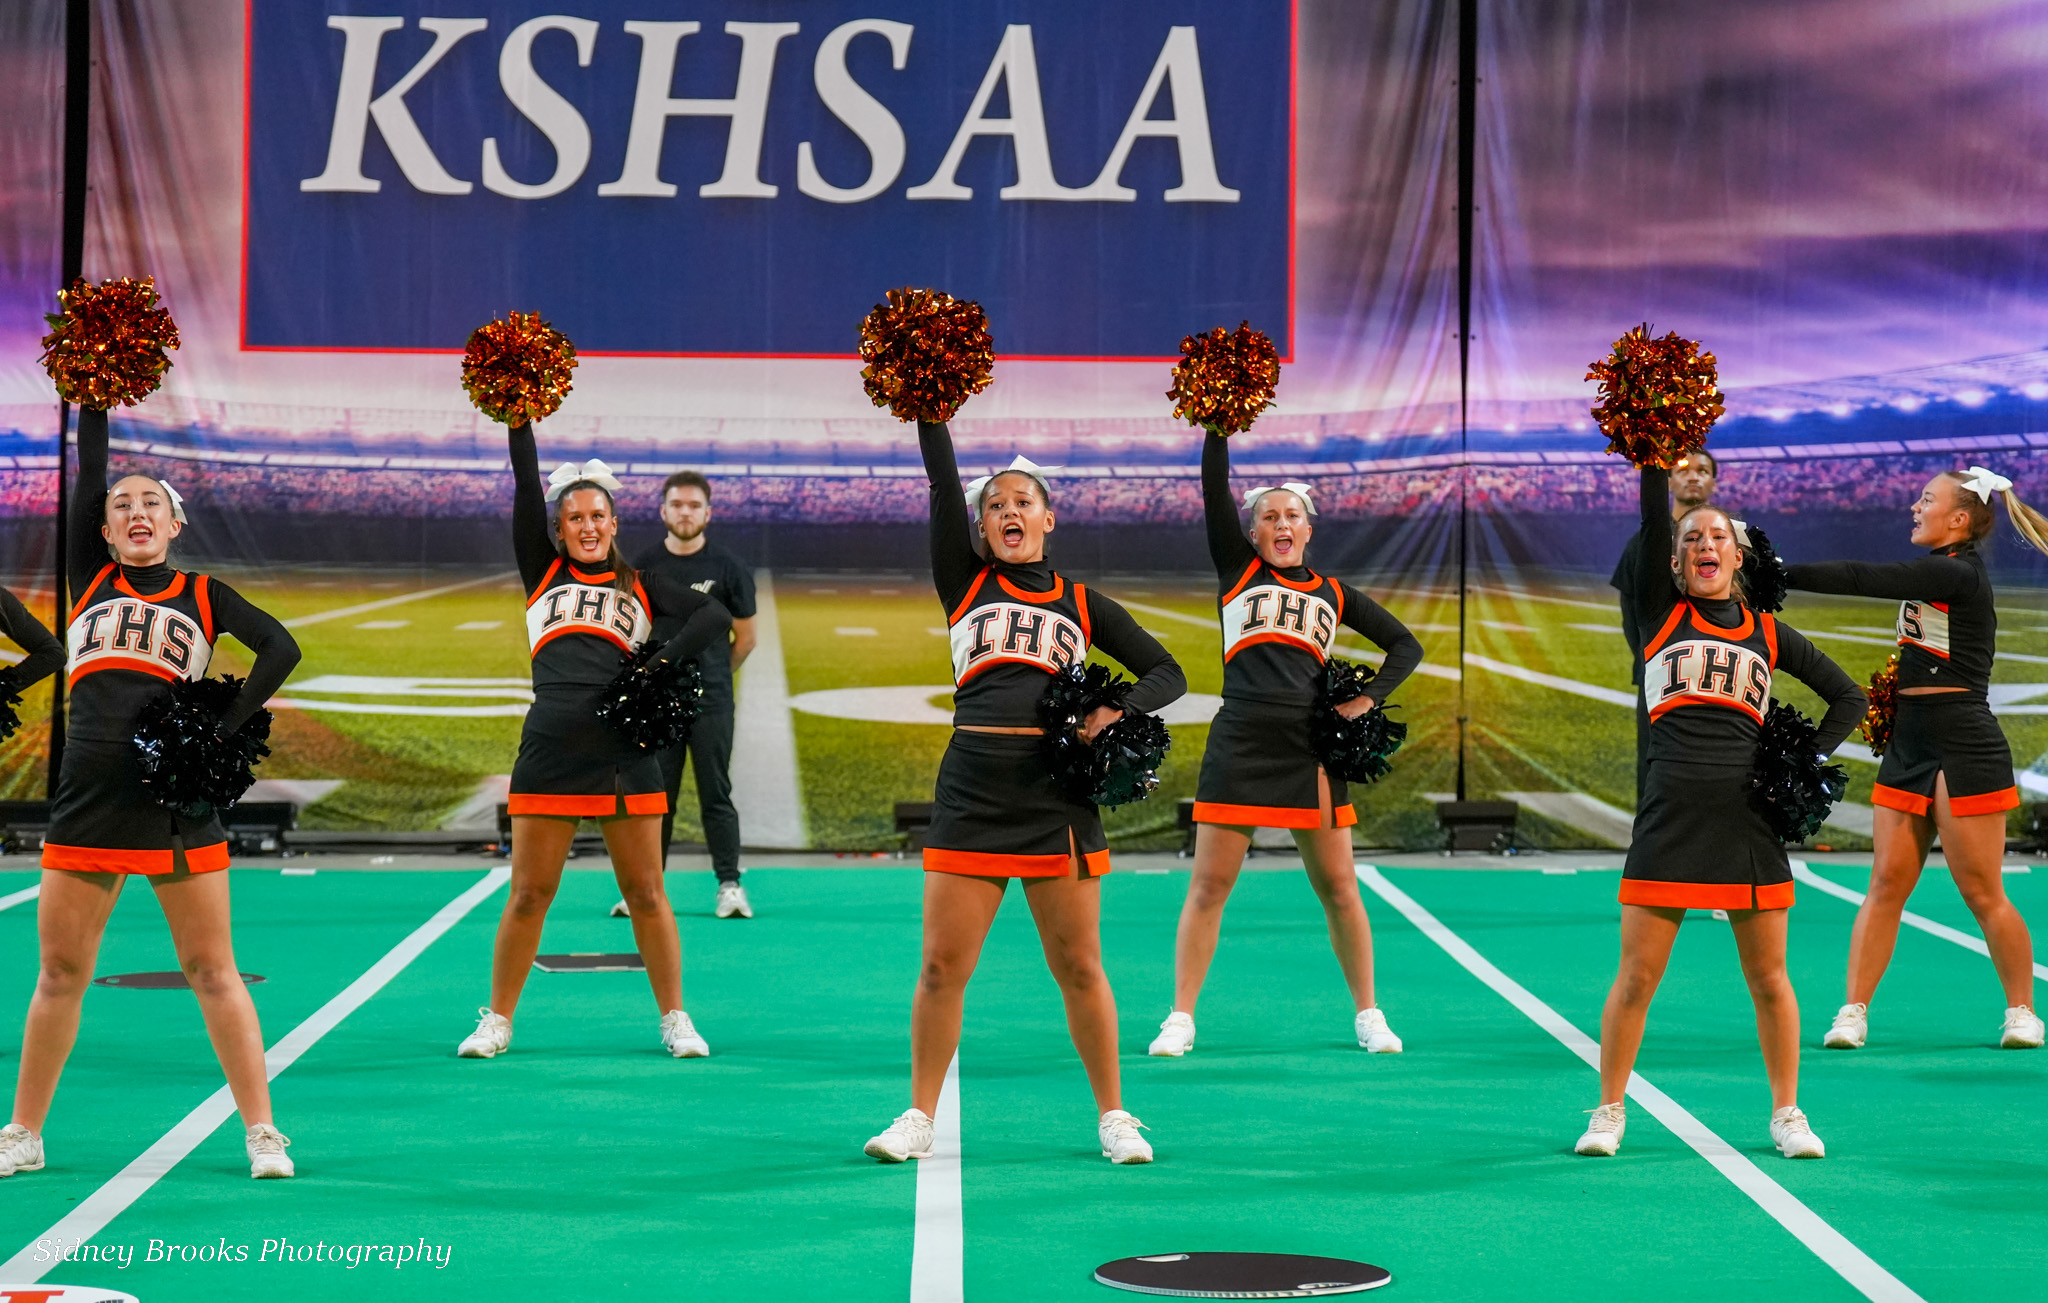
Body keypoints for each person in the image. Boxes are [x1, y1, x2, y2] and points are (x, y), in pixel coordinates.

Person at [863, 425, 1185, 1167]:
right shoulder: (965, 581)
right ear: (981, 527)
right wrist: (931, 412)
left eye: (1023, 502)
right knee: (943, 965)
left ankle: (1114, 1114)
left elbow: (1168, 671)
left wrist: (1114, 709)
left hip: (1055, 802)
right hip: (972, 791)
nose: (1008, 511)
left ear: (1048, 518)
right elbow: (943, 484)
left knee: (1079, 965)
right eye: (995, 505)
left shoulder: (1080, 600)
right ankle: (918, 1114)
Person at [4, 406, 302, 1181]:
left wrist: (224, 728)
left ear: (174, 522)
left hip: (175, 804)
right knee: (61, 972)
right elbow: (88, 471)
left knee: (213, 969)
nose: (136, 512)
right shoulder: (92, 578)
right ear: (103, 532)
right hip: (88, 798)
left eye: (151, 505)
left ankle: (263, 1130)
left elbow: (282, 646)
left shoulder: (204, 594)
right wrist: (95, 394)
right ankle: (24, 1130)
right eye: (122, 507)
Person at [1575, 463, 1864, 1161]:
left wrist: (1801, 760)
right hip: (1669, 816)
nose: (1705, 543)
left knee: (1770, 979)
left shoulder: (1768, 632)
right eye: (1692, 538)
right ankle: (1609, 1108)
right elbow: (1652, 519)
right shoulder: (1658, 612)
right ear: (1675, 562)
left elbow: (1848, 697)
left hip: (1748, 821)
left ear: (1739, 556)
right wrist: (1653, 452)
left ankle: (1788, 1112)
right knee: (1637, 976)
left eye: (1719, 536)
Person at [455, 433, 731, 1062]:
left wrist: (660, 663)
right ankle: (497, 1019)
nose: (587, 527)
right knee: (529, 893)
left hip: (624, 752)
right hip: (551, 748)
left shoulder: (643, 582)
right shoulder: (542, 568)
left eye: (597, 517)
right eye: (575, 518)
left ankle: (676, 1018)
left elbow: (711, 620)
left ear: (614, 523)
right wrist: (518, 419)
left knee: (646, 892)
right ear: (559, 528)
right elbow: (526, 486)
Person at [1147, 430, 1423, 1058]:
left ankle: (1369, 1014)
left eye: (1291, 515)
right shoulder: (1237, 568)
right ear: (1252, 533)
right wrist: (1217, 425)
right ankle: (1181, 1017)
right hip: (1241, 738)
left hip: (1309, 747)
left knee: (1339, 887)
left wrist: (1368, 698)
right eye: (1267, 516)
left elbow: (1406, 645)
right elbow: (1213, 488)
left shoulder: (1333, 591)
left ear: (1308, 530)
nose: (1280, 523)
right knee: (1210, 885)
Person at [1785, 465, 2048, 1051]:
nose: (1914, 506)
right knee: (1885, 883)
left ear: (1958, 519)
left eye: (1926, 499)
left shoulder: (1957, 573)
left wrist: (1782, 572)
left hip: (1962, 741)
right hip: (1911, 743)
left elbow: (1860, 575)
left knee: (1981, 889)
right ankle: (1852, 1011)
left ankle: (2023, 1010)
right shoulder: (1939, 572)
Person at [611, 471, 758, 920]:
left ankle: (729, 886)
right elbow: (630, 631)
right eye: (677, 505)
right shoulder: (641, 566)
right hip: (658, 703)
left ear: (708, 513)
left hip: (712, 699)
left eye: (694, 505)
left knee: (716, 792)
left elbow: (746, 639)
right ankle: (644, 891)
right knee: (658, 796)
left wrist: (710, 676)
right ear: (663, 511)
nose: (686, 512)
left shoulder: (729, 567)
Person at [1612, 451, 1720, 795]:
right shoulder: (1643, 543)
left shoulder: (1730, 541)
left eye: (1703, 471)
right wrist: (1650, 657)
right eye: (1684, 470)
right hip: (1659, 673)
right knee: (1656, 772)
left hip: (1718, 671)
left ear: (1713, 483)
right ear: (1668, 480)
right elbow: (1631, 613)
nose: (1693, 477)